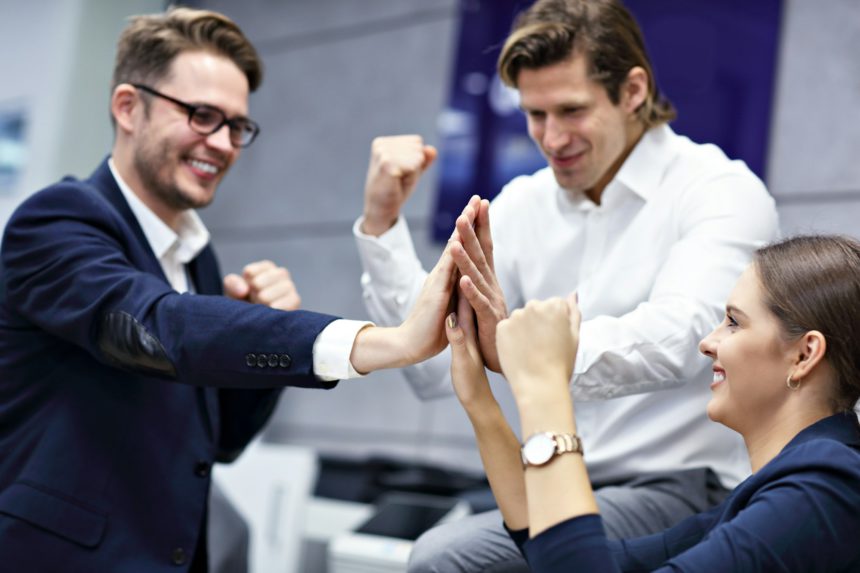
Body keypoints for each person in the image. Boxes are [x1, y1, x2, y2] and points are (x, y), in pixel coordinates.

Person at [0, 8, 462, 572]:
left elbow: (219, 443)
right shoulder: (57, 221)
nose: (221, 143)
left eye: (236, 126)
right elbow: (150, 328)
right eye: (201, 116)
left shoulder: (198, 260)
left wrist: (249, 339)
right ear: (128, 107)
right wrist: (377, 343)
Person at [354, 0, 779, 570]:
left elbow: (683, 340)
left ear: (632, 91)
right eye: (534, 114)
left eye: (571, 110)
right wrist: (381, 224)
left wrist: (530, 354)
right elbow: (430, 367)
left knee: (445, 559)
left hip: (681, 485)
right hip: (549, 471)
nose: (551, 138)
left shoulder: (721, 191)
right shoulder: (521, 206)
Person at [445, 234, 860, 572]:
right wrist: (478, 401)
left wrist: (546, 384)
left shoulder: (825, 486)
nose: (708, 342)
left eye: (733, 322)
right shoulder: (789, 486)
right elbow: (557, 553)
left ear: (805, 355)